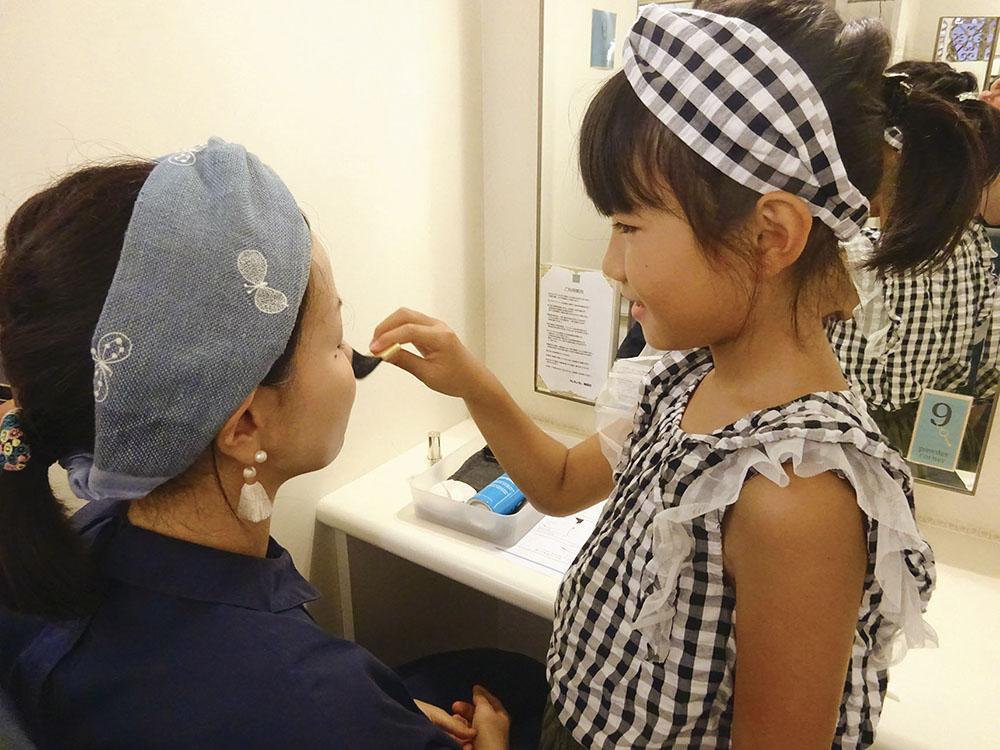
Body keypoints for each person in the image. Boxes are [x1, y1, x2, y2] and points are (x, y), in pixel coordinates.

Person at [370, 2, 938, 748]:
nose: (612, 265)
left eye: (629, 227)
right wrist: (473, 382)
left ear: (771, 234)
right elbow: (561, 485)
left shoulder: (797, 496)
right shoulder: (687, 377)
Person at [0, 139, 517, 749]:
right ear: (244, 426)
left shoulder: (68, 546)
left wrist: (374, 716)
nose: (352, 359)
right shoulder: (317, 704)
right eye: (335, 339)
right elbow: (294, 705)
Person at [827, 61, 1000, 458]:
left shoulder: (859, 249)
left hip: (848, 434)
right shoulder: (970, 244)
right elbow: (985, 364)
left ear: (892, 155)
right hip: (933, 433)